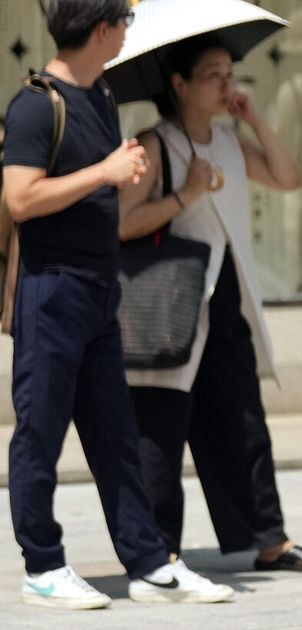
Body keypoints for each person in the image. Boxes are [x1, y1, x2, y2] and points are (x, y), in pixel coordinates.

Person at [3, 0, 232, 609]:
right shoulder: (34, 103)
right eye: (126, 20)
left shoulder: (101, 97)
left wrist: (116, 175)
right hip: (50, 290)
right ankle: (43, 567)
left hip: (102, 290)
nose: (130, 31)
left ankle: (150, 563)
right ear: (103, 29)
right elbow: (21, 199)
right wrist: (104, 172)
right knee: (40, 432)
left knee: (117, 435)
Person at [117, 35, 302, 574]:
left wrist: (255, 119)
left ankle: (269, 540)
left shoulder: (231, 141)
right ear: (180, 84)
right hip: (170, 301)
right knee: (161, 426)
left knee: (242, 420)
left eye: (228, 73)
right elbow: (119, 223)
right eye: (213, 75)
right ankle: (157, 547)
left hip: (226, 297)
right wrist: (184, 196)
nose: (226, 83)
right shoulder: (154, 143)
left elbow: (289, 177)